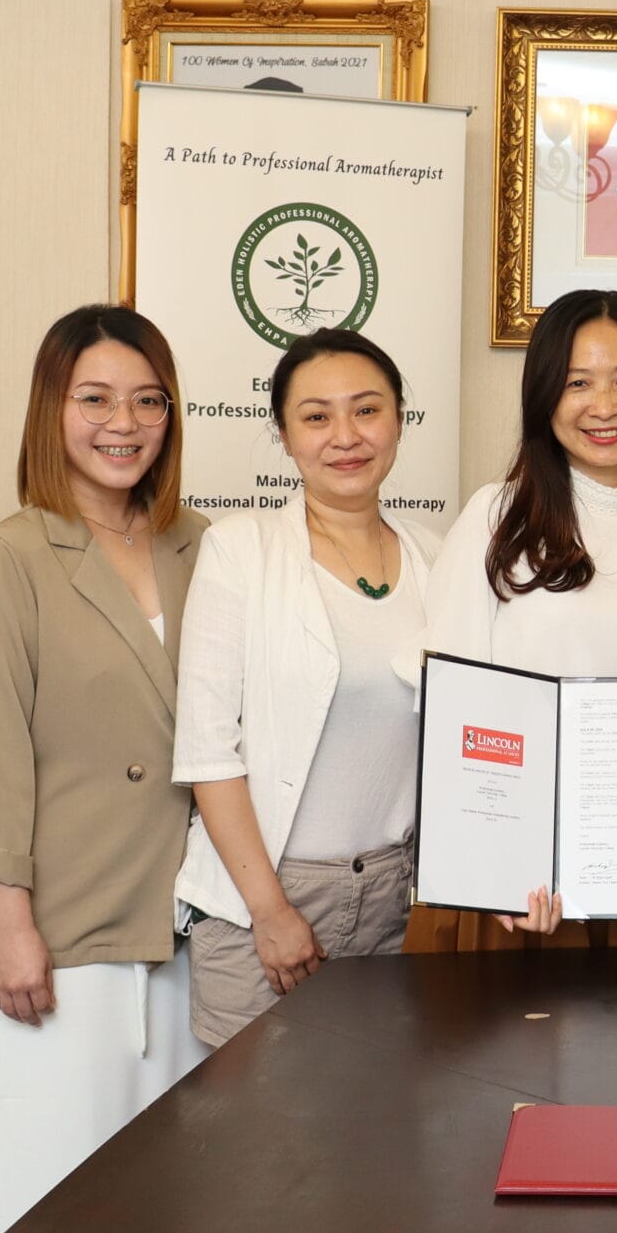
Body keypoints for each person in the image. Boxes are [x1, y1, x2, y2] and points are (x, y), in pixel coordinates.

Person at [0, 305, 211, 1233]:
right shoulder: (15, 552)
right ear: (50, 412)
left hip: (187, 927)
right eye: (93, 398)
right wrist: (12, 923)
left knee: (173, 1212)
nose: (123, 422)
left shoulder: (204, 546)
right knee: (45, 1213)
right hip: (57, 931)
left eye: (148, 399)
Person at [411, 288, 617, 950]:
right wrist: (491, 869)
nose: (604, 405)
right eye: (577, 382)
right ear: (544, 395)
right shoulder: (495, 519)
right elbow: (449, 713)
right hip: (515, 894)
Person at [172, 329, 444, 1046]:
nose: (345, 436)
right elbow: (207, 750)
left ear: (399, 419)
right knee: (255, 1145)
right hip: (265, 896)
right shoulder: (240, 550)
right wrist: (271, 910)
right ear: (286, 434)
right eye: (317, 416)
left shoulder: (437, 558)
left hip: (393, 896)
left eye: (366, 410)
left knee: (373, 1129)